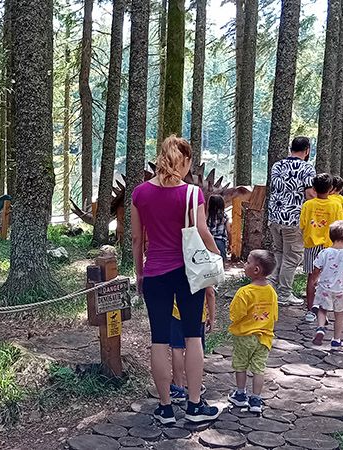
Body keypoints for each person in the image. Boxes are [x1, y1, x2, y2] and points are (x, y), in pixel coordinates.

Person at [132, 135, 222, 424]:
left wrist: (139, 273)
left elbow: (137, 239)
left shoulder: (140, 193)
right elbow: (203, 231)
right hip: (189, 273)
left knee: (159, 339)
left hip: (155, 273)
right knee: (193, 336)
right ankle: (194, 406)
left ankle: (166, 408)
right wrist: (217, 257)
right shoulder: (192, 194)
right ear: (185, 161)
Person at [227, 250, 278, 413]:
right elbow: (274, 315)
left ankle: (240, 394)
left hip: (244, 336)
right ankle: (256, 399)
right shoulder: (271, 291)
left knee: (241, 365)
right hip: (264, 338)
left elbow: (235, 314)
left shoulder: (244, 292)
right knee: (259, 369)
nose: (245, 264)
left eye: (248, 262)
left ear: (256, 270)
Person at [267, 137, 316, 307]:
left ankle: (269, 290)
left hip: (274, 217)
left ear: (291, 148)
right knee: (292, 257)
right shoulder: (307, 168)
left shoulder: (277, 166)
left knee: (279, 253)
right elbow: (309, 194)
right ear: (307, 150)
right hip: (294, 219)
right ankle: (284, 294)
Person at [309, 221, 343, 350]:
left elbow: (316, 269)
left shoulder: (324, 253)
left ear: (330, 236)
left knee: (322, 309)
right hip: (342, 290)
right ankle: (336, 340)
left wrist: (314, 280)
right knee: (339, 315)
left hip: (324, 288)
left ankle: (320, 328)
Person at [299, 173, 343, 322]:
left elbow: (302, 224)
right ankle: (323, 311)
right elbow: (340, 225)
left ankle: (310, 310)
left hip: (311, 245)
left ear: (313, 188)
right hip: (330, 247)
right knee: (328, 279)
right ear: (331, 188)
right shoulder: (336, 205)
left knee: (312, 278)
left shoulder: (308, 205)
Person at [169, 290, 216, 403]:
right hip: (198, 312)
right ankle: (195, 386)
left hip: (177, 312)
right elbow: (210, 293)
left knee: (177, 348)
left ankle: (178, 388)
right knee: (195, 346)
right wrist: (212, 317)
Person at [207, 195, 230, 260]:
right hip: (220, 241)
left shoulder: (207, 216)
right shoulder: (224, 216)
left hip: (208, 241)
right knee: (221, 260)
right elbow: (229, 231)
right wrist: (230, 243)